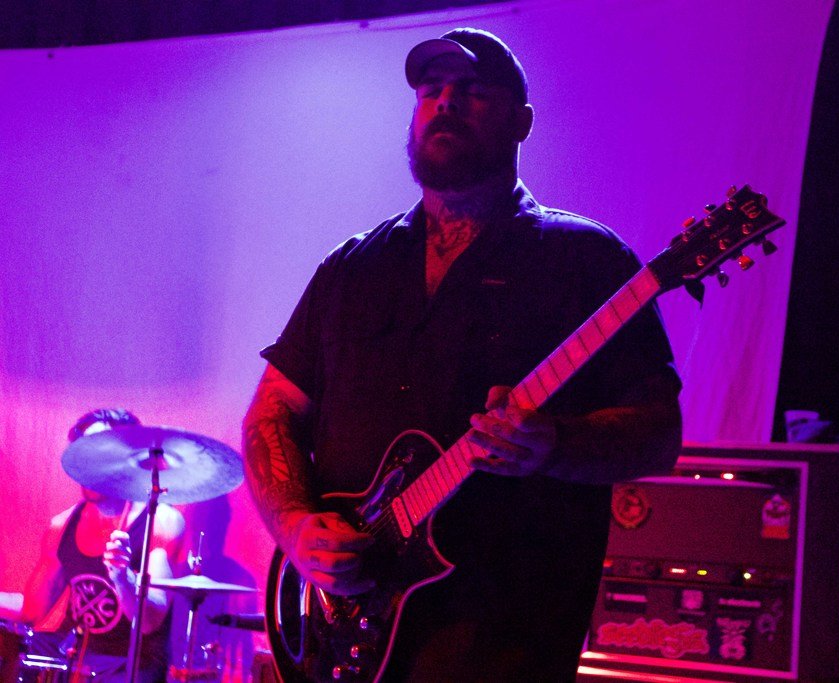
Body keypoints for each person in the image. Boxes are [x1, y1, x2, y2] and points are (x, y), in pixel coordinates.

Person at [242, 28, 682, 681]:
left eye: (472, 90)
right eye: (431, 90)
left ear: (522, 122)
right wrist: (297, 528)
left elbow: (659, 433)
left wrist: (554, 444)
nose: (445, 102)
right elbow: (273, 410)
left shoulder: (587, 261)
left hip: (504, 641)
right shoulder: (352, 267)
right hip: (344, 632)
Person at [15, 408, 185, 682]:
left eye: (100, 454)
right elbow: (33, 611)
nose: (89, 465)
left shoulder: (161, 522)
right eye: (84, 454)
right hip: (78, 657)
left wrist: (123, 577)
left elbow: (149, 622)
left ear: (129, 460)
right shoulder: (62, 525)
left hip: (133, 665)